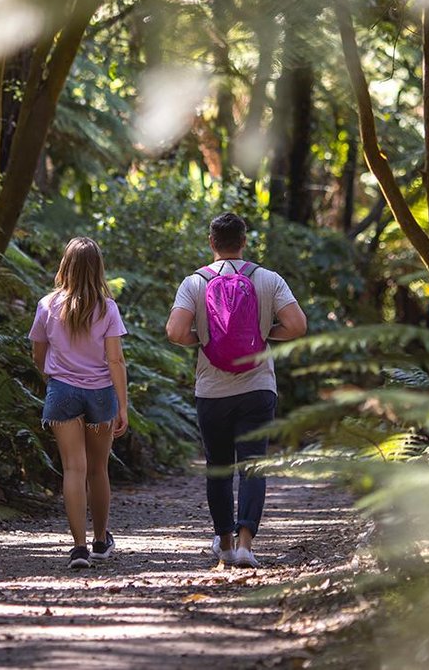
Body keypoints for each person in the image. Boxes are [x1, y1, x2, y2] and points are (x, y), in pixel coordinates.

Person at [165, 212, 307, 568]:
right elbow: (297, 325)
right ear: (244, 241)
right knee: (253, 466)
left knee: (218, 466)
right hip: (258, 387)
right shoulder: (268, 279)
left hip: (212, 390)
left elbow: (175, 332)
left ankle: (224, 544)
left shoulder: (194, 283)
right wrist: (263, 335)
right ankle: (246, 545)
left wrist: (204, 340)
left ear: (212, 242)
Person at [30, 237, 130, 570]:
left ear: (65, 265)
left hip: (62, 391)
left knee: (74, 468)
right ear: (98, 268)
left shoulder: (47, 305)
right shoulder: (107, 308)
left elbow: (38, 352)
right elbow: (115, 360)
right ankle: (101, 541)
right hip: (101, 392)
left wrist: (52, 378)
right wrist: (123, 406)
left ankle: (79, 549)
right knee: (98, 469)